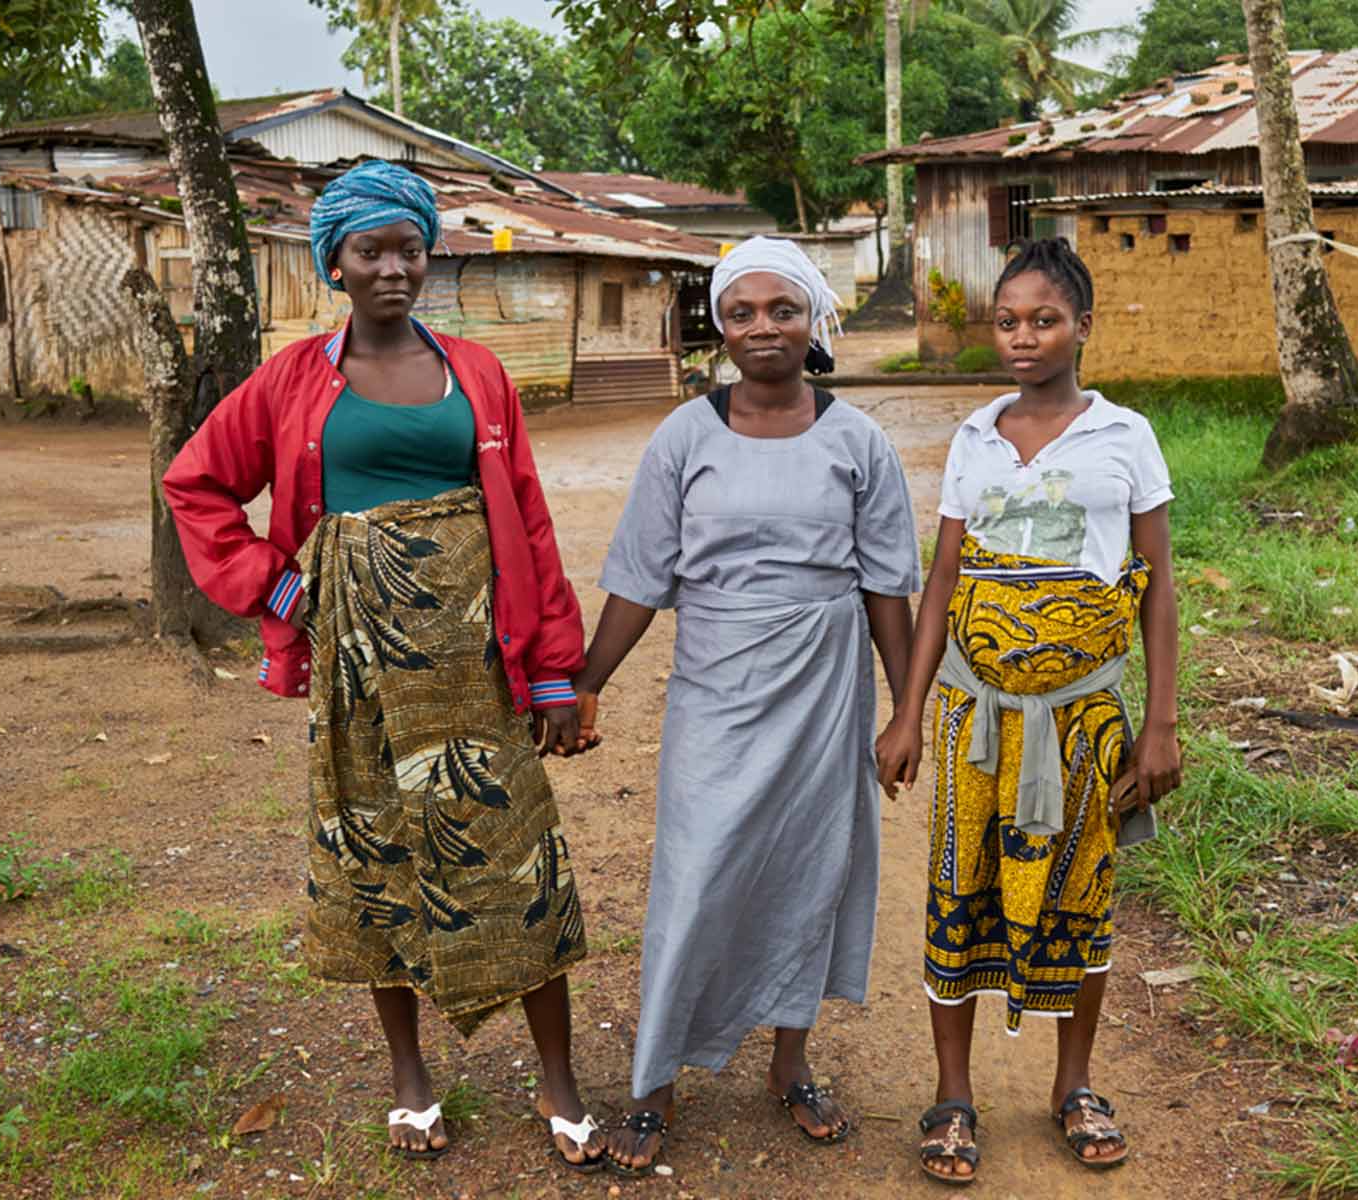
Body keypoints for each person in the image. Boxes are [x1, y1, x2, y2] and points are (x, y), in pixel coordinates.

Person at [162, 160, 606, 1172]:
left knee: (520, 859)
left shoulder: (479, 373)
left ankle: (559, 1078)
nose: (393, 267)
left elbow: (526, 522)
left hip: (475, 668)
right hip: (360, 679)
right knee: (379, 864)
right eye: (371, 251)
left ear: (427, 253)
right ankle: (409, 1078)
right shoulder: (289, 380)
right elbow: (196, 484)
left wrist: (552, 674)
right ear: (336, 264)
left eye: (410, 247)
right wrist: (280, 591)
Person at [572, 236, 921, 1176]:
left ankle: (790, 1062)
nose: (761, 328)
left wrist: (904, 712)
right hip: (717, 685)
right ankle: (652, 1083)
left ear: (813, 321)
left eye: (782, 310)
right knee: (694, 875)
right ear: (717, 326)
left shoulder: (859, 440)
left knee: (811, 872)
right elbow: (643, 576)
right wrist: (588, 679)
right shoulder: (686, 435)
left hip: (823, 685)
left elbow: (888, 586)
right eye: (741, 313)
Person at [875, 237, 1181, 1183]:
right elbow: (944, 581)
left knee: (1083, 894)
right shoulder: (974, 438)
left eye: (1043, 319)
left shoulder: (1124, 435)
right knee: (960, 892)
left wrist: (1161, 720)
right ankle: (953, 1094)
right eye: (1007, 321)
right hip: (981, 722)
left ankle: (1073, 1085)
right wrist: (908, 710)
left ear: (1083, 326)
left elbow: (1158, 584)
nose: (1022, 337)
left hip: (1084, 720)